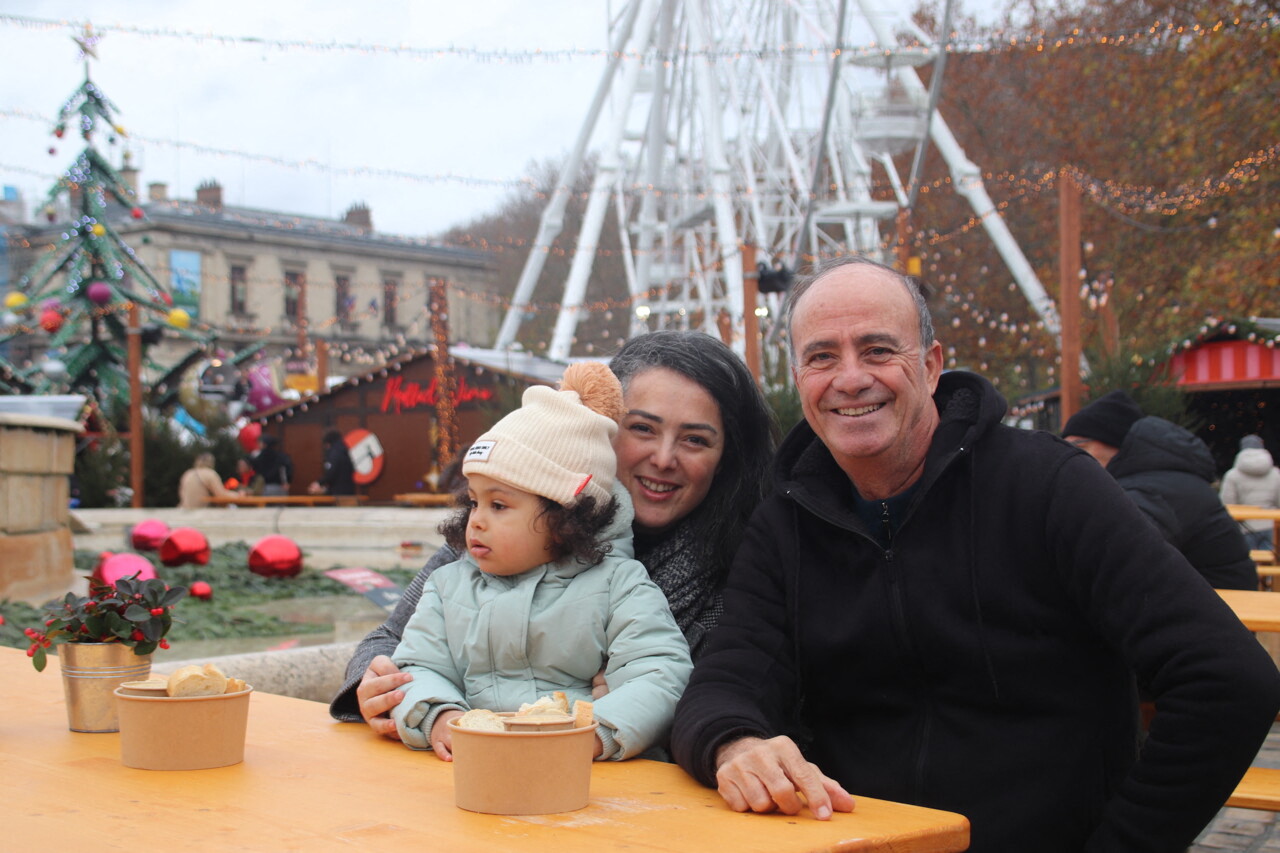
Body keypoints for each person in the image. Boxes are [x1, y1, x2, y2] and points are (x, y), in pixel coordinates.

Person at [669, 255, 1280, 853]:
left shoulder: (1049, 487)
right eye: (822, 356)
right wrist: (736, 744)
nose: (850, 378)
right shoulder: (787, 523)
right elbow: (723, 684)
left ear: (932, 366)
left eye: (879, 350)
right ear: (799, 379)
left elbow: (1228, 679)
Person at [329, 329, 777, 738]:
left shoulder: (743, 567)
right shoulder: (495, 536)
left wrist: (621, 712)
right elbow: (390, 643)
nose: (663, 458)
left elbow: (727, 698)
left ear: (727, 458)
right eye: (642, 428)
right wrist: (390, 691)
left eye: (695, 440)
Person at [388, 361, 692, 760]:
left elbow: (659, 672)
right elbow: (417, 666)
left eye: (499, 505)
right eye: (474, 501)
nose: (476, 520)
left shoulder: (618, 585)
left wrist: (600, 730)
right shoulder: (448, 587)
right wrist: (437, 713)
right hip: (475, 764)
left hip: (585, 770)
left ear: (565, 518)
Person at [1061, 390, 1257, 590]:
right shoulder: (1156, 477)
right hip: (1205, 603)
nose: (1072, 459)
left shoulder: (1154, 489)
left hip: (1227, 610)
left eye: (1079, 447)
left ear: (1115, 442)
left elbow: (1114, 551)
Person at [1221, 434, 1280, 549]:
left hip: (1245, 529)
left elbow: (1227, 505)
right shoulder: (1276, 474)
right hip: (1272, 527)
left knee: (1247, 565)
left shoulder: (1232, 475)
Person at [309, 429, 355, 496]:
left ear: (328, 443)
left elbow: (331, 472)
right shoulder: (345, 451)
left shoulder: (334, 453)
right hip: (348, 491)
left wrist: (319, 483)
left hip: (337, 493)